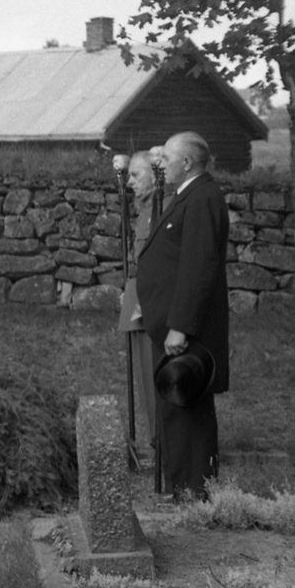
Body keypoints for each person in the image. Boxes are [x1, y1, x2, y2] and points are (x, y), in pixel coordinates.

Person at [138, 131, 230, 500]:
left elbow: (198, 267)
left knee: (188, 406)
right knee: (176, 408)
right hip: (171, 326)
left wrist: (180, 327)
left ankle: (195, 493)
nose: (162, 165)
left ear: (188, 162)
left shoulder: (204, 197)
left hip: (186, 331)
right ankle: (183, 489)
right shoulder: (188, 195)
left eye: (168, 159)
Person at [115, 151, 162, 450]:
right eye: (129, 175)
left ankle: (161, 437)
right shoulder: (143, 209)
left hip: (150, 297)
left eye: (136, 175)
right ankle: (154, 437)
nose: (130, 182)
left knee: (152, 368)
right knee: (142, 375)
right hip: (137, 293)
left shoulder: (161, 207)